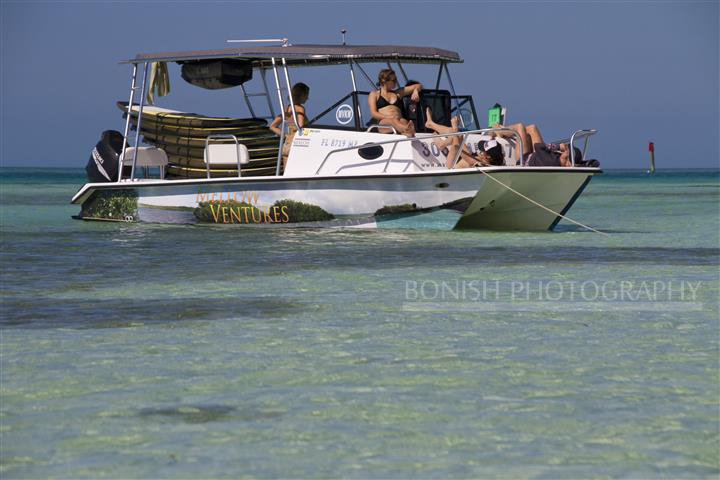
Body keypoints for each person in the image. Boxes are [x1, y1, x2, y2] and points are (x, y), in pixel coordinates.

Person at [425, 108, 504, 168]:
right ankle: (431, 125)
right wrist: (493, 135)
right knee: (457, 134)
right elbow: (494, 148)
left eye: (483, 151)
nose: (481, 151)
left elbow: (457, 148)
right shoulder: (495, 160)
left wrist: (455, 127)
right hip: (464, 157)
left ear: (488, 157)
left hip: (452, 163)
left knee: (455, 134)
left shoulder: (477, 163)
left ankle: (441, 143)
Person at [493, 122, 580, 167]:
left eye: (567, 152)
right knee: (532, 128)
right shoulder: (558, 160)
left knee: (520, 126)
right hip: (535, 156)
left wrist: (558, 147)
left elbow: (539, 146)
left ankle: (499, 131)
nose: (566, 151)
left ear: (567, 159)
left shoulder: (550, 161)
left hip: (523, 159)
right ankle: (505, 131)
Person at [368, 69, 422, 137]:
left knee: (403, 121)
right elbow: (374, 113)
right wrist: (389, 117)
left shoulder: (398, 93)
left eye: (396, 79)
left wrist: (416, 91)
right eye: (393, 80)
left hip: (399, 120)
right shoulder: (374, 94)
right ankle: (407, 129)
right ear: (384, 81)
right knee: (394, 121)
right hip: (384, 122)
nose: (396, 82)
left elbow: (419, 85)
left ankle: (407, 131)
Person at [270, 82, 310, 169]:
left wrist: (285, 135)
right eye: (307, 95)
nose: (308, 98)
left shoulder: (287, 109)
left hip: (287, 144)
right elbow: (300, 127)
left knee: (286, 174)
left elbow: (272, 126)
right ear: (302, 95)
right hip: (297, 145)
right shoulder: (300, 109)